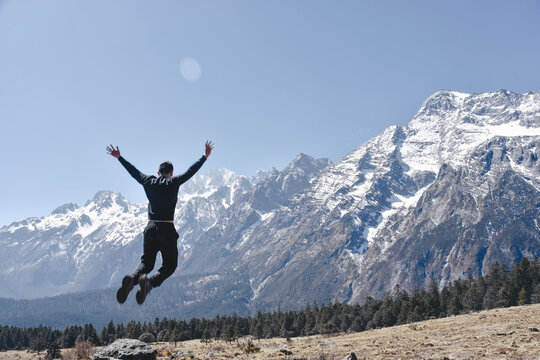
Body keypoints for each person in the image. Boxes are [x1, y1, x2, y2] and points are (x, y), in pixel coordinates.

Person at [106, 141, 214, 304]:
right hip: (167, 229)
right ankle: (148, 283)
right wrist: (204, 156)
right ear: (171, 173)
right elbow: (190, 172)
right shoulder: (173, 182)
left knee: (146, 264)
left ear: (158, 173)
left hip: (150, 228)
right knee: (169, 266)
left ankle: (132, 278)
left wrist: (119, 157)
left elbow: (134, 172)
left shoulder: (148, 181)